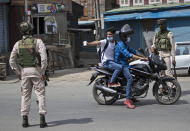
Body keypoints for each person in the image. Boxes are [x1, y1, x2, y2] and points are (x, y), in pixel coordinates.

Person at [9, 22, 48, 128]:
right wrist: (42, 72)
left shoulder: (17, 44)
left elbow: (12, 61)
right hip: (36, 70)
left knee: (25, 95)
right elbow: (44, 59)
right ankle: (42, 119)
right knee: (40, 94)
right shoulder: (38, 42)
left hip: (24, 71)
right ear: (31, 31)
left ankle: (25, 120)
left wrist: (18, 72)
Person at [115, 24, 148, 109]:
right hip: (121, 65)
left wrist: (144, 56)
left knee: (135, 75)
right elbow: (129, 55)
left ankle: (132, 96)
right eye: (128, 35)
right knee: (130, 78)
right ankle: (127, 99)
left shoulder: (125, 44)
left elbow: (133, 51)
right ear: (124, 36)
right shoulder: (120, 45)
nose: (129, 36)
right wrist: (141, 58)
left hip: (126, 64)